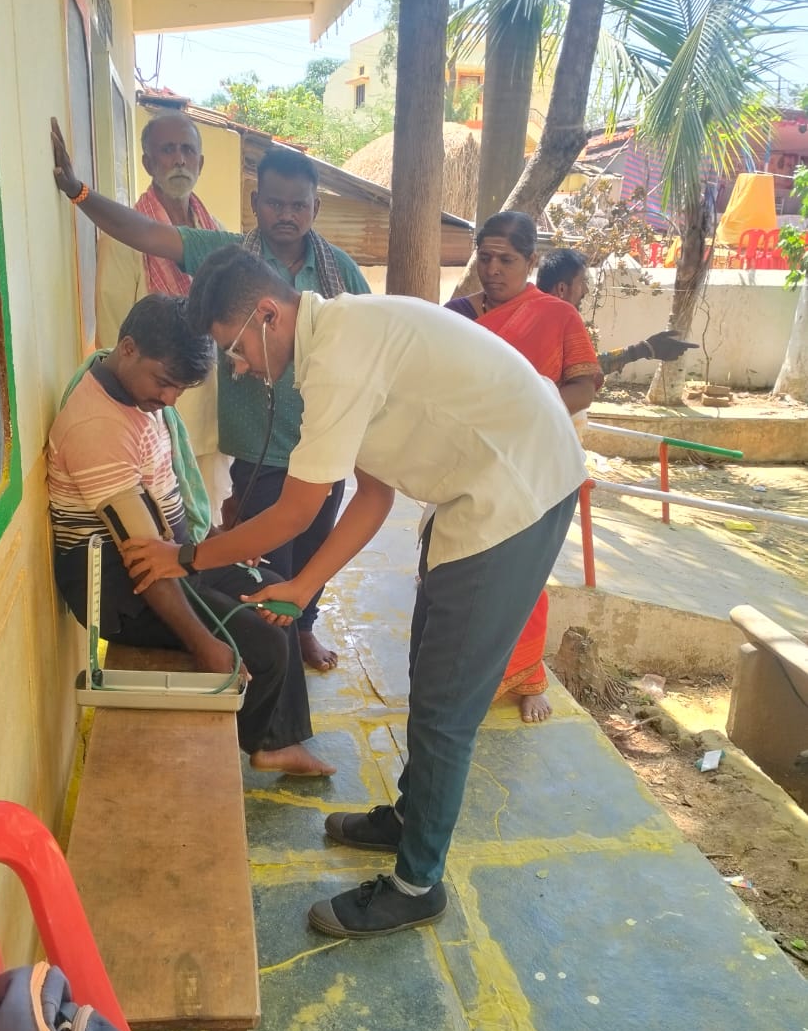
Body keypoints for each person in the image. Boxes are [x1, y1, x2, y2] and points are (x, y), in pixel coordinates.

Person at [118, 246, 588, 939]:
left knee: (446, 705)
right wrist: (302, 584)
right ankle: (408, 817)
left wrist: (183, 558)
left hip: (516, 494)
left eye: (234, 348)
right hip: (479, 487)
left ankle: (416, 885)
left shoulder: (337, 355)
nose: (238, 367)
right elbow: (372, 494)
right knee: (428, 673)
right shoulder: (336, 340)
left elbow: (294, 512)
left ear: (267, 314)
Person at [52, 118, 368, 674]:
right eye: (275, 203)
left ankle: (303, 629)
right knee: (267, 563)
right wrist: (80, 194)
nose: (287, 214)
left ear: (316, 207)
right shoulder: (231, 259)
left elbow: (368, 338)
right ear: (256, 203)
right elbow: (147, 235)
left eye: (299, 205)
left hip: (324, 440)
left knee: (315, 546)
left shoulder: (339, 270)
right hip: (259, 450)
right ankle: (282, 642)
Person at [46, 291, 334, 777]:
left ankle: (276, 740)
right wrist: (205, 644)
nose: (169, 400)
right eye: (164, 383)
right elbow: (143, 560)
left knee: (275, 593)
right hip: (119, 589)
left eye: (180, 389)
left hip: (169, 558)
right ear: (128, 348)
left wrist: (211, 544)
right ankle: (265, 742)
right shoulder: (97, 426)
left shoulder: (131, 390)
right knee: (262, 639)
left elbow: (165, 516)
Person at [445, 214, 602, 724]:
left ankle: (526, 678)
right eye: (485, 257)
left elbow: (585, 385)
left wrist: (530, 411)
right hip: (468, 463)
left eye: (507, 260)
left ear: (531, 261)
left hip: (531, 464)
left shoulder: (557, 316)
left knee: (523, 578)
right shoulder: (456, 317)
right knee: (462, 571)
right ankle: (464, 675)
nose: (493, 269)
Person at [95, 111, 231, 517]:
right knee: (166, 520)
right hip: (155, 414)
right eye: (168, 150)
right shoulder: (125, 238)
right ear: (148, 162)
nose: (179, 159)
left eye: (187, 150)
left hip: (211, 412)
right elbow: (115, 331)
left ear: (200, 162)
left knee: (211, 515)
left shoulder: (215, 233)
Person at [535, 248, 699, 374]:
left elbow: (583, 368)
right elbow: (582, 375)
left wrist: (645, 349)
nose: (585, 290)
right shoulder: (546, 327)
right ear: (562, 289)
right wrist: (644, 349)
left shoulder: (536, 315)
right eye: (582, 282)